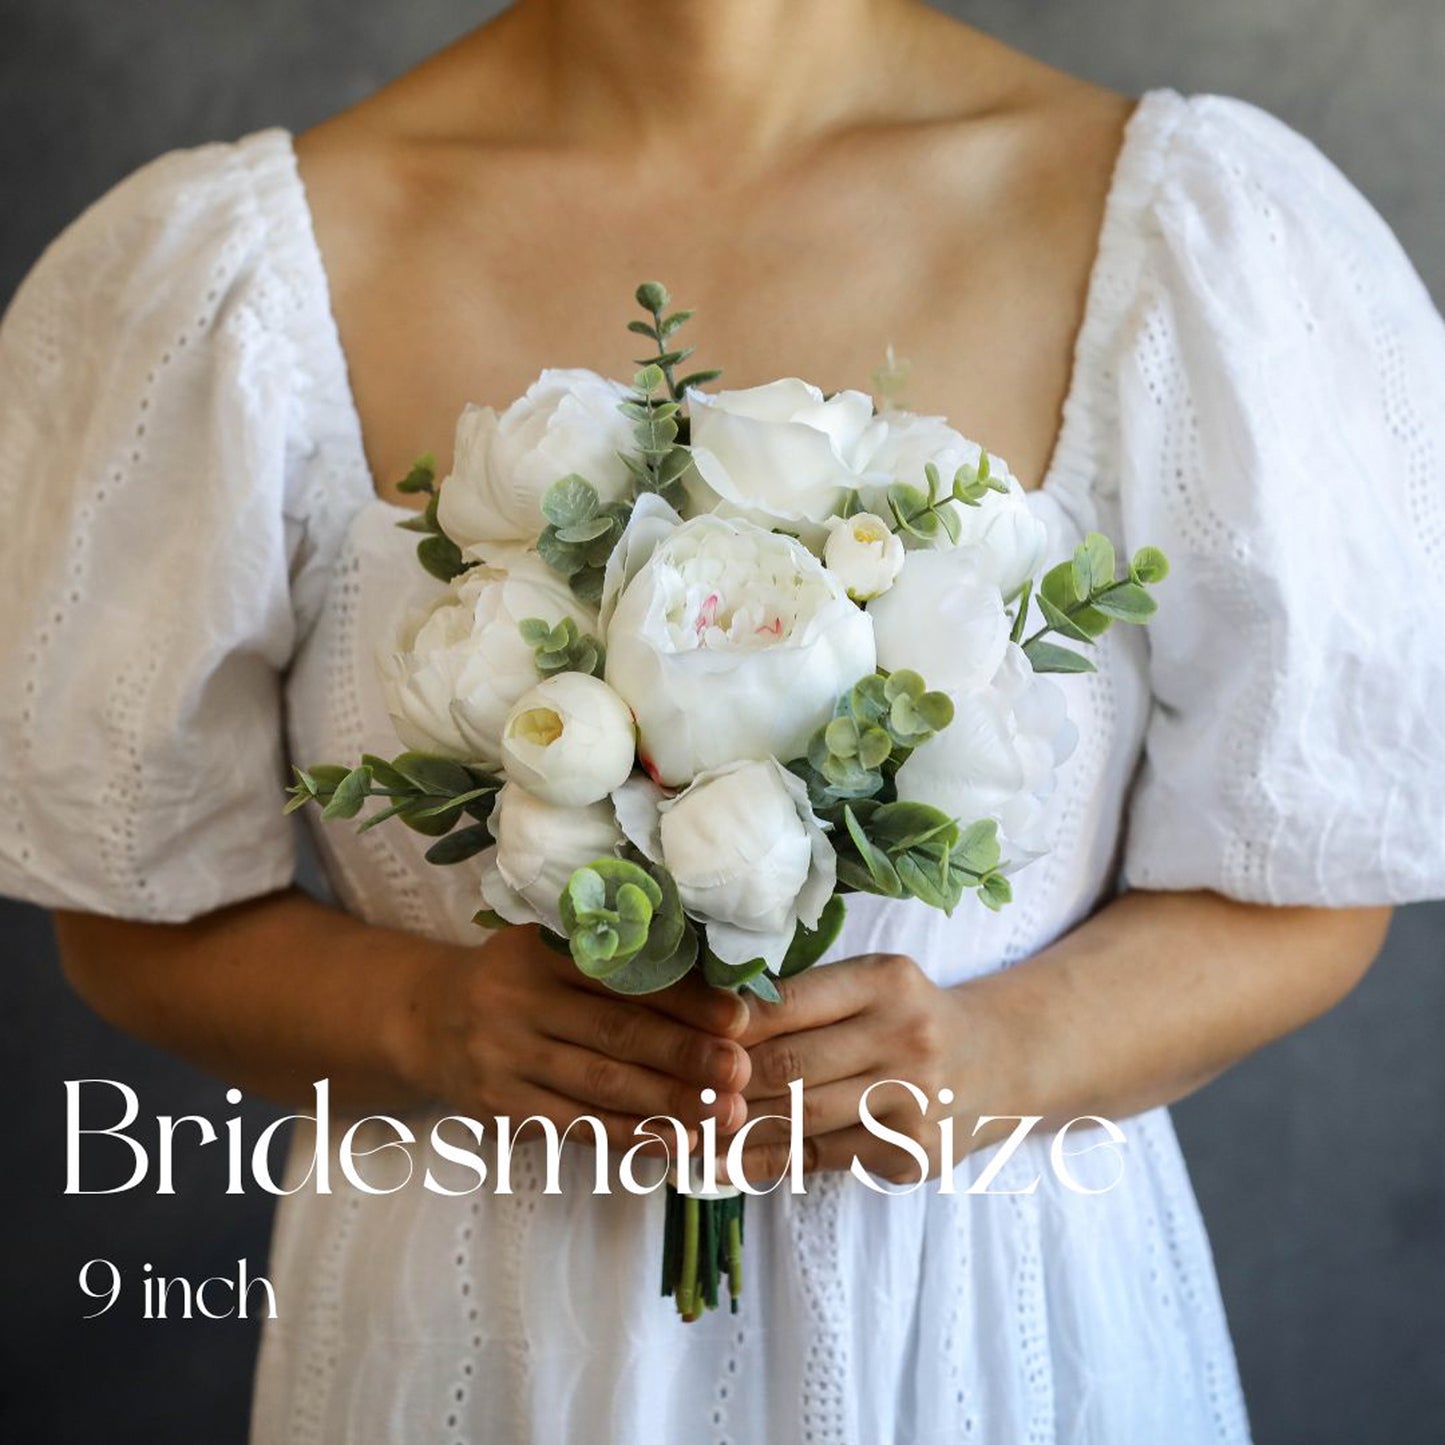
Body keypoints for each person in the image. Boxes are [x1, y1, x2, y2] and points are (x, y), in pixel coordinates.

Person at [2, 1, 1441, 1440]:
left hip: (983, 1328)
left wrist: (1009, 1054)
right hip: (472, 1338)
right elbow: (131, 902)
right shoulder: (243, 266)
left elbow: (1306, 870)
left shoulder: (1190, 234)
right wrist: (426, 1019)